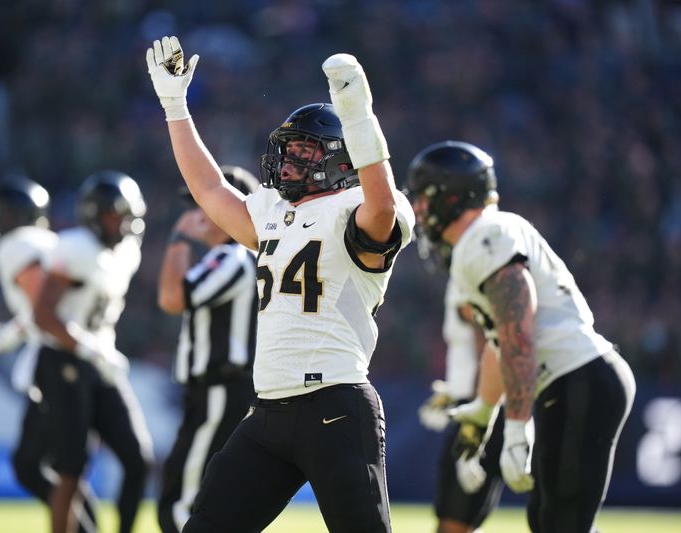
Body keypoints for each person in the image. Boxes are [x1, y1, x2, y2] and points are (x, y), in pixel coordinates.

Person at [146, 35, 414, 532]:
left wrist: (359, 117)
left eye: (304, 150)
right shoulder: (273, 213)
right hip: (267, 411)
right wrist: (174, 105)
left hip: (334, 405)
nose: (288, 159)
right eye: (287, 148)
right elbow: (209, 189)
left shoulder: (357, 208)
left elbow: (381, 209)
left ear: (340, 159)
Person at [407, 140, 636, 533]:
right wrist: (482, 411)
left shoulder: (485, 235)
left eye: (424, 199)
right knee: (551, 521)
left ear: (453, 196)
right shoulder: (479, 242)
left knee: (562, 524)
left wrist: (515, 425)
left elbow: (518, 328)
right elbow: (501, 341)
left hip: (578, 378)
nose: (418, 211)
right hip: (571, 380)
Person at [32, 171, 154, 533]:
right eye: (116, 215)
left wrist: (99, 351)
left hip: (99, 360)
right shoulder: (76, 247)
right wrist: (88, 346)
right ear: (94, 214)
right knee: (71, 467)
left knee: (138, 460)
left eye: (129, 215)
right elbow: (44, 315)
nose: (124, 224)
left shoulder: (127, 251)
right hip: (63, 359)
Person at [0, 176, 99, 533]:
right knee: (46, 464)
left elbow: (42, 306)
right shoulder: (52, 242)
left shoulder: (19, 244)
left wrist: (12, 332)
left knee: (45, 465)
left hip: (59, 358)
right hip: (72, 354)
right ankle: (86, 527)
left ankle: (83, 529)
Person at [156, 165, 260, 533]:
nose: (197, 214)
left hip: (220, 387)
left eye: (205, 203)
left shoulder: (233, 256)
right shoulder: (233, 257)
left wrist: (179, 239)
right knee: (204, 496)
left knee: (182, 501)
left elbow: (170, 298)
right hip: (220, 389)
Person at [417, 271, 505, 533]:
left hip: (481, 411)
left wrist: (476, 413)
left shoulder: (475, 265)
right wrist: (454, 392)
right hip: (480, 404)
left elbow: (489, 341)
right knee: (459, 521)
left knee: (454, 523)